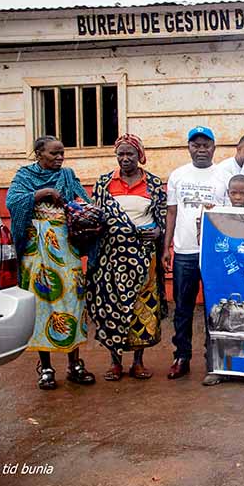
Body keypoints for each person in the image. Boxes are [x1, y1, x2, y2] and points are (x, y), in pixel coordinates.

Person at [6, 135, 96, 390]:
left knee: (72, 303)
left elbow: (83, 203)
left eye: (61, 154)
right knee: (42, 307)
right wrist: (42, 193)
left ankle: (75, 365)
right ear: (38, 154)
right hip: (36, 255)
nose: (59, 158)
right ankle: (45, 367)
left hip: (66, 253)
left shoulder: (67, 175)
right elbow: (12, 202)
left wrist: (83, 210)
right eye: (53, 154)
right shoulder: (24, 176)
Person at [87, 134, 167, 382]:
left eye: (129, 154)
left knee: (141, 307)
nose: (124, 159)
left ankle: (138, 362)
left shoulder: (152, 183)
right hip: (111, 257)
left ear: (139, 156)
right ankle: (114, 363)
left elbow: (162, 216)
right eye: (120, 154)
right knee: (112, 307)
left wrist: (158, 231)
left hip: (144, 257)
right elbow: (95, 217)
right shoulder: (103, 184)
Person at [164, 125, 227, 385]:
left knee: (216, 308)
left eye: (206, 145)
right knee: (183, 308)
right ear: (188, 147)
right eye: (196, 144)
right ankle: (182, 357)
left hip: (213, 253)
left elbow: (231, 216)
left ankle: (214, 360)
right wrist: (167, 247)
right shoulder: (177, 176)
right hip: (184, 251)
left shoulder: (223, 175)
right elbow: (171, 213)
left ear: (214, 147)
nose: (201, 149)